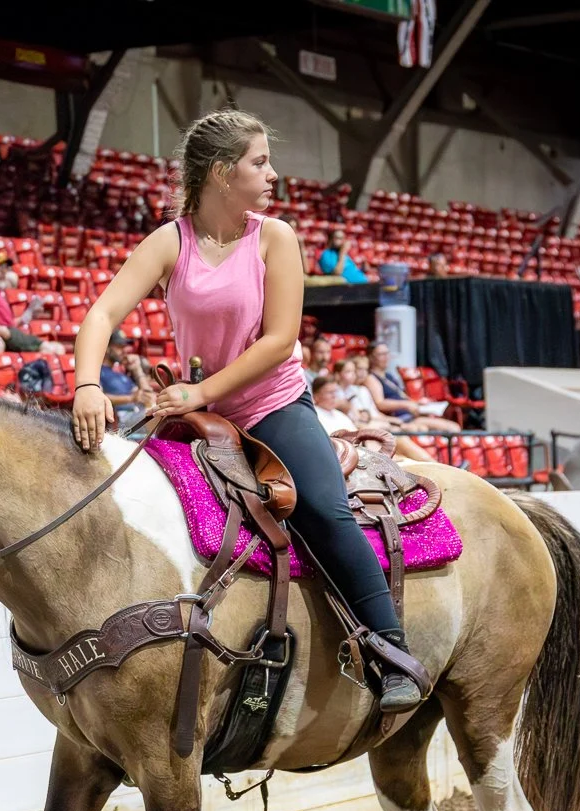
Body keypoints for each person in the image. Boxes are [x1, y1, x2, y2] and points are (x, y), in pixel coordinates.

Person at [71, 109, 423, 711]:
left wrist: (197, 393)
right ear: (219, 172)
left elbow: (280, 340)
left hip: (271, 405)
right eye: (259, 162)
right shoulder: (169, 241)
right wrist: (84, 385)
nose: (272, 173)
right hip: (196, 415)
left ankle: (391, 649)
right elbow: (102, 314)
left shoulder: (275, 236)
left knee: (323, 508)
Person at [0, 249, 58, 354]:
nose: (3, 271)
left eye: (6, 268)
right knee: (48, 349)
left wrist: (27, 315)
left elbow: (7, 323)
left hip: (9, 332)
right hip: (5, 333)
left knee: (57, 347)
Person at [363, 341, 458, 432]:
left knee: (452, 426)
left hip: (411, 415)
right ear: (371, 357)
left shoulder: (389, 376)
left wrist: (417, 402)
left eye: (387, 353)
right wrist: (406, 405)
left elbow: (401, 397)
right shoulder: (371, 378)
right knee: (452, 428)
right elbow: (380, 403)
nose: (386, 357)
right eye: (381, 354)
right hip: (400, 419)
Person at [311, 371, 357, 436]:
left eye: (335, 392)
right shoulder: (313, 416)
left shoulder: (341, 415)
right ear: (316, 397)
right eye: (330, 392)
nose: (334, 396)